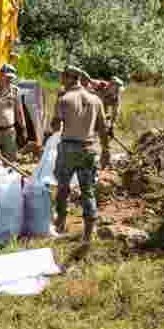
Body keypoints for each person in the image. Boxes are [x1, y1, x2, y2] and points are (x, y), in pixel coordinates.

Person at [48, 65, 108, 244]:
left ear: (69, 78)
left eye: (63, 77)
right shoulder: (95, 99)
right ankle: (88, 234)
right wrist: (106, 150)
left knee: (63, 188)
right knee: (87, 191)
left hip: (68, 148)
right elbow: (103, 128)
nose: (61, 80)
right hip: (89, 149)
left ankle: (60, 224)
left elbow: (55, 126)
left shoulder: (64, 98)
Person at [89, 76, 125, 167]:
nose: (117, 91)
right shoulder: (98, 85)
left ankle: (105, 163)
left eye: (118, 90)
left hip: (103, 116)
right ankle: (87, 160)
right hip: (89, 114)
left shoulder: (115, 97)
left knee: (105, 142)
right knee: (88, 140)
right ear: (111, 85)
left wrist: (111, 126)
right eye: (116, 89)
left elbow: (115, 112)